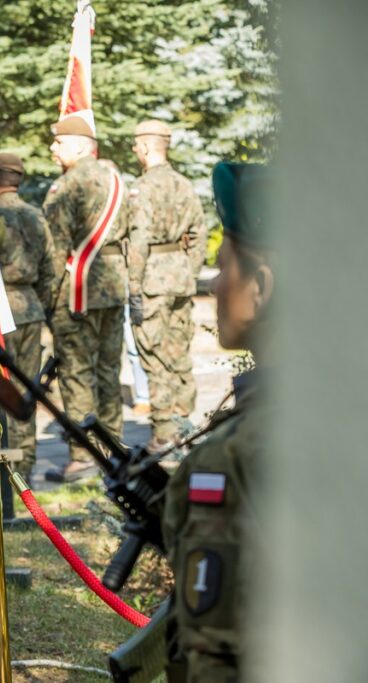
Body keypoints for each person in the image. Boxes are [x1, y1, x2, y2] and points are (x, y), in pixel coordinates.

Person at [161, 162, 269, 680]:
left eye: (225, 267)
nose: (216, 284)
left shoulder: (232, 454)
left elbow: (216, 661)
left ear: (261, 285)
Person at [42, 116, 141, 482]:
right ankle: (113, 448)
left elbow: (56, 248)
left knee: (76, 373)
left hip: (77, 289)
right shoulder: (117, 180)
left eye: (60, 142)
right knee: (109, 371)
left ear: (82, 145)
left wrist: (47, 296)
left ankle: (84, 456)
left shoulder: (67, 185)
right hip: (113, 286)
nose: (53, 148)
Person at [129, 120, 208, 449]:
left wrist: (134, 286)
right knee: (179, 351)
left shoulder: (142, 188)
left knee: (155, 353)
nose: (135, 150)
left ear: (146, 147)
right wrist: (189, 271)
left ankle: (164, 434)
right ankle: (184, 421)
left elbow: (139, 240)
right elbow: (200, 233)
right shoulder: (184, 185)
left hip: (152, 280)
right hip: (180, 278)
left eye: (136, 145)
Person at [0, 152, 55, 481]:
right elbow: (49, 269)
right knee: (26, 389)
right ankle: (24, 468)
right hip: (29, 306)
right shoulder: (35, 215)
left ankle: (0, 467)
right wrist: (38, 304)